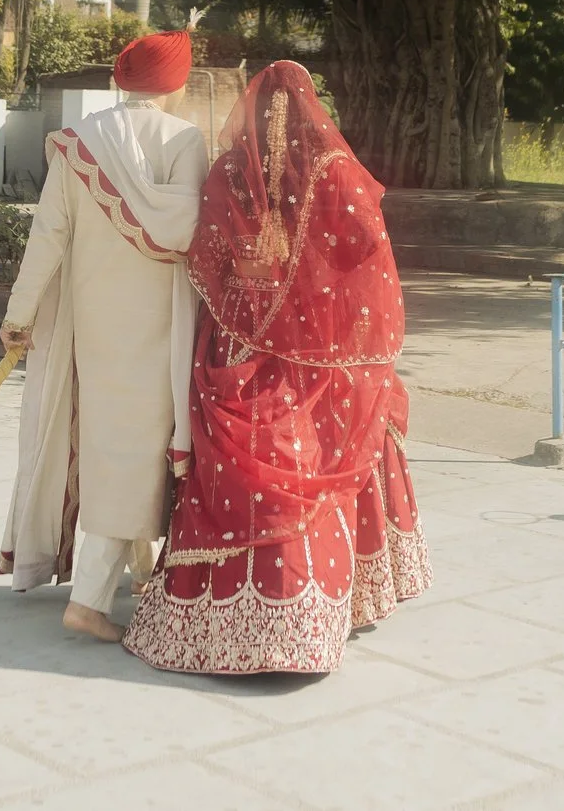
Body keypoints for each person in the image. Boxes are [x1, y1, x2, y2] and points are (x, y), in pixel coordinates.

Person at [123, 61, 429, 676]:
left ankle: (228, 622)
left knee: (248, 476)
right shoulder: (333, 169)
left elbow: (202, 256)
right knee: (325, 459)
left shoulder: (228, 172)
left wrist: (251, 302)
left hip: (238, 350)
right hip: (316, 353)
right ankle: (319, 613)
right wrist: (333, 315)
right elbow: (369, 245)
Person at [0, 30, 207, 640]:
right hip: (158, 325)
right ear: (178, 83)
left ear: (121, 80)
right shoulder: (185, 140)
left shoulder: (79, 142)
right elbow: (189, 230)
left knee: (109, 443)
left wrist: (19, 314)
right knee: (141, 452)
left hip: (91, 325)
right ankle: (88, 600)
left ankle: (139, 569)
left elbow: (47, 236)